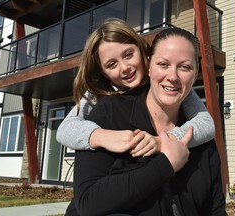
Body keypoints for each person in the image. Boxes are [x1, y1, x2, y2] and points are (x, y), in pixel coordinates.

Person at [72, 26, 227, 215]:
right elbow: (88, 203)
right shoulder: (106, 113)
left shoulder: (200, 135)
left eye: (185, 67)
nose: (173, 76)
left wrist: (164, 141)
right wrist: (97, 136)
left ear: (195, 74)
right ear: (149, 66)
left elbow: (215, 210)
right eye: (163, 64)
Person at [56, 18, 215, 157]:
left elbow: (206, 123)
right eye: (112, 64)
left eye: (128, 55)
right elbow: (65, 129)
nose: (124, 67)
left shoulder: (166, 83)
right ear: (103, 72)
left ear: (141, 49)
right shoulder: (99, 92)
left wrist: (164, 141)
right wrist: (101, 136)